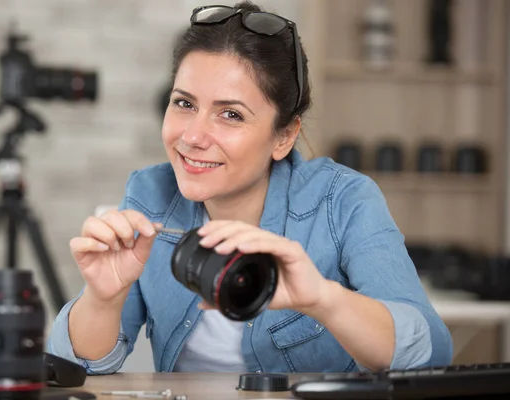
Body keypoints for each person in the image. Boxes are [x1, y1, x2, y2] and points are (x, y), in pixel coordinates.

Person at [47, 1, 453, 374]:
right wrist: (102, 300)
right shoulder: (150, 192)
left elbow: (430, 354)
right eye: (184, 103)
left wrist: (323, 300)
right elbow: (75, 371)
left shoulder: (343, 200)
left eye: (230, 115)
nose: (193, 136)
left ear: (284, 136)